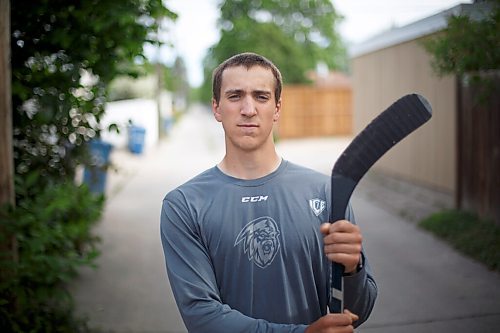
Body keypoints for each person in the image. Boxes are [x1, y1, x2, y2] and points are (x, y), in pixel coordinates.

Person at [160, 52, 377, 333]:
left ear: (277, 108)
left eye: (261, 97)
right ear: (216, 107)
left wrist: (352, 270)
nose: (248, 109)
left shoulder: (326, 193)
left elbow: (356, 313)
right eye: (235, 96)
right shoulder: (185, 205)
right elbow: (202, 316)